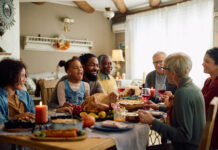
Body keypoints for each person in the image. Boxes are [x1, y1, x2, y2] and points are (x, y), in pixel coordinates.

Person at [139, 53, 206, 150]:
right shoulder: (192, 87)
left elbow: (184, 136)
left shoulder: (183, 93)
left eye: (165, 69)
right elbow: (180, 111)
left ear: (173, 73)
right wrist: (157, 107)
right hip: (195, 145)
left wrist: (153, 121)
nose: (164, 72)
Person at [0, 58, 35, 123]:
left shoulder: (25, 95)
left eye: (25, 76)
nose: (25, 80)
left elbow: (34, 115)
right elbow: (1, 123)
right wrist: (18, 118)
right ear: (10, 75)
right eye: (22, 75)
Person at [202, 47, 218, 150]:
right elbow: (199, 100)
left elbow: (201, 105)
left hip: (213, 131)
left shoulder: (216, 84)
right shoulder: (208, 81)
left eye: (207, 61)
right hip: (205, 124)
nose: (203, 64)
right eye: (203, 60)